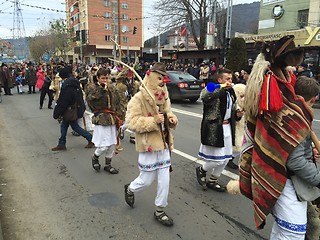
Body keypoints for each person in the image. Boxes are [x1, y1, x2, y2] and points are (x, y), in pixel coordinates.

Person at [238, 35, 316, 236]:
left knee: (285, 228)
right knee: (293, 231)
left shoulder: (284, 85)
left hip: (286, 173)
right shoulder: (274, 89)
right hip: (281, 173)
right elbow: (289, 152)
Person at [124, 62, 178, 227]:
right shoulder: (138, 98)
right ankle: (130, 189)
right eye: (159, 78)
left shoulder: (164, 95)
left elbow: (168, 112)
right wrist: (153, 121)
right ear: (152, 77)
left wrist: (171, 118)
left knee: (165, 180)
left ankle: (159, 210)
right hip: (148, 145)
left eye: (164, 78)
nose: (162, 82)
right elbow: (131, 122)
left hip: (163, 143)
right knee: (146, 180)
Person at [270, 76, 320, 239]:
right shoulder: (298, 117)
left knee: (281, 228)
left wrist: (309, 151)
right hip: (288, 182)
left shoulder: (287, 109)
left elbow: (290, 148)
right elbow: (294, 161)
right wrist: (318, 178)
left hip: (278, 177)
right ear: (314, 99)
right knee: (294, 233)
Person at [196, 68, 242, 191]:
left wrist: (237, 115)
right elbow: (204, 96)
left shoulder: (231, 91)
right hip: (215, 128)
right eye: (227, 78)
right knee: (218, 160)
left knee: (226, 158)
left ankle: (213, 180)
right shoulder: (212, 86)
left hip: (228, 128)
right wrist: (221, 87)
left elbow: (231, 108)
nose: (230, 81)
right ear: (220, 79)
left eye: (231, 78)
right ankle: (202, 169)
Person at [85, 68, 122, 174]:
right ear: (97, 78)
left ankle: (108, 165)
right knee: (104, 145)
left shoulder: (111, 87)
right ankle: (95, 157)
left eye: (107, 78)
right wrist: (102, 89)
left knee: (112, 144)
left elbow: (117, 102)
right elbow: (91, 99)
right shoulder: (92, 87)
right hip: (101, 118)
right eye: (103, 78)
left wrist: (121, 115)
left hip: (112, 118)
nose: (105, 80)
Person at [52, 67, 94, 151]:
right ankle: (61, 143)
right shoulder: (74, 83)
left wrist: (58, 111)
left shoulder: (67, 85)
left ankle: (91, 139)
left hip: (69, 109)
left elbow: (64, 100)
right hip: (74, 108)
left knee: (74, 127)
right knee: (64, 125)